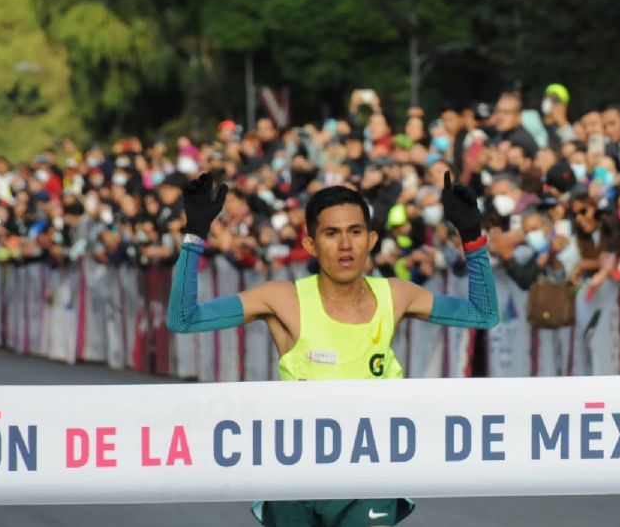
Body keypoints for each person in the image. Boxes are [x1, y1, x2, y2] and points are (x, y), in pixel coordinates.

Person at [166, 172, 499, 526]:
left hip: (370, 479)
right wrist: (194, 237)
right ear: (310, 244)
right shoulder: (283, 299)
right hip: (294, 481)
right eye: (331, 233)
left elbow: (484, 314)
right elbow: (184, 319)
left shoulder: (396, 295)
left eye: (355, 232)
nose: (345, 245)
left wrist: (472, 238)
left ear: (371, 239)